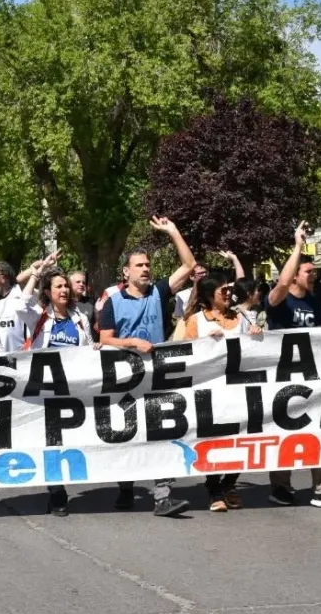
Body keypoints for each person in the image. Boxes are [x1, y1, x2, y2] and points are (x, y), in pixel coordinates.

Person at [98, 216, 196, 516]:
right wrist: (131, 343)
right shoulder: (113, 302)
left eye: (148, 265)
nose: (146, 269)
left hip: (157, 377)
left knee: (162, 434)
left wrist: (173, 232)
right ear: (126, 272)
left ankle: (162, 496)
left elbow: (190, 267)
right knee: (127, 435)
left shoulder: (159, 291)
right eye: (139, 265)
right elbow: (104, 340)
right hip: (125, 379)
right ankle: (126, 488)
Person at [264, 222, 321, 510]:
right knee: (284, 433)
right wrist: (298, 245)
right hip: (283, 379)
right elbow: (282, 284)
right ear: (295, 275)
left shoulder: (314, 301)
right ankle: (280, 486)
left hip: (315, 378)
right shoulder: (278, 300)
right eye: (308, 270)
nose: (314, 274)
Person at [183, 273, 261, 512]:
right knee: (214, 439)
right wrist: (204, 342)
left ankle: (229, 483)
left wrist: (257, 335)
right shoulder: (197, 320)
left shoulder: (243, 317)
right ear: (209, 296)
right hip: (209, 392)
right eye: (223, 291)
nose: (229, 294)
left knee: (243, 437)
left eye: (229, 290)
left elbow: (254, 353)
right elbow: (185, 355)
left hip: (238, 389)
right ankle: (214, 487)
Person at [23, 266, 97, 516]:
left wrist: (94, 349)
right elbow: (20, 305)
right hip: (44, 392)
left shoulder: (80, 318)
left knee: (70, 440)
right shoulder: (39, 317)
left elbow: (87, 348)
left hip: (72, 391)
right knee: (51, 442)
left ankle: (61, 484)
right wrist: (34, 274)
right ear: (48, 291)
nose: (64, 290)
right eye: (58, 286)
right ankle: (57, 492)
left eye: (66, 286)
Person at [68, 271, 97, 340]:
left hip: (89, 345)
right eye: (78, 282)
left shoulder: (92, 302)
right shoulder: (64, 303)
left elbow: (97, 325)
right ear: (69, 284)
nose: (81, 284)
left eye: (83, 282)